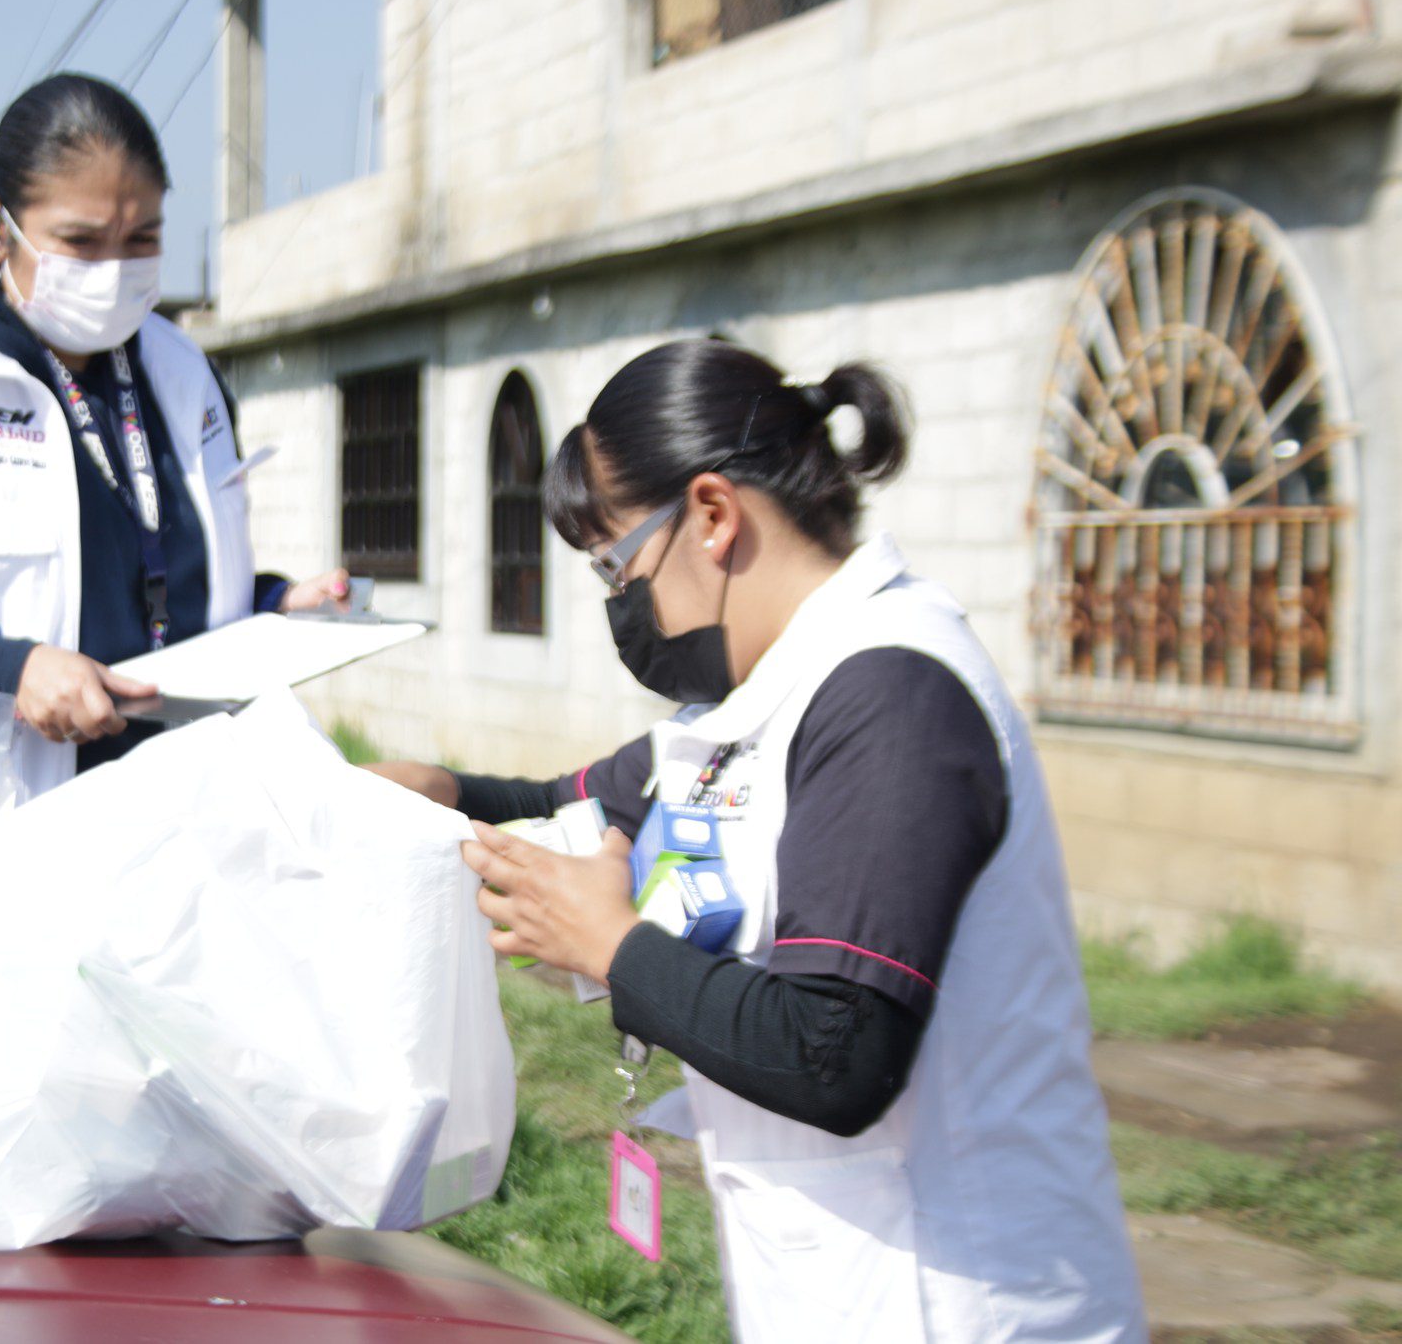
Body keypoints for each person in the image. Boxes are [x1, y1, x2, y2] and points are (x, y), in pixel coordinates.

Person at [371, 340, 1146, 1342]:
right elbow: (583, 804)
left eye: (616, 563)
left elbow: (837, 1053)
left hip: (955, 1303)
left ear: (710, 516)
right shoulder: (759, 702)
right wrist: (437, 795)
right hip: (835, 1292)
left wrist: (609, 947)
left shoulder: (890, 700)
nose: (620, 602)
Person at [0, 74, 345, 798]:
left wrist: (270, 606)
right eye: (79, 241)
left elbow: (143, 576)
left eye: (141, 240)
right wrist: (7, 673)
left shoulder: (183, 373)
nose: (112, 272)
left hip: (187, 836)